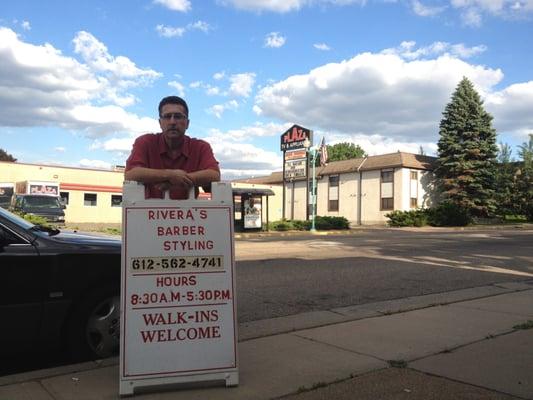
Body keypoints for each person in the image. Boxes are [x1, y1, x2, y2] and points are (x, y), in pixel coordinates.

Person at [125, 96, 220, 199]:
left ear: (187, 123)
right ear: (160, 123)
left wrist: (177, 181)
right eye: (167, 116)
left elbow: (214, 175)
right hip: (151, 213)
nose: (172, 122)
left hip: (190, 213)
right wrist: (170, 175)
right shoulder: (145, 142)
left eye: (178, 116)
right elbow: (131, 174)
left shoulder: (200, 147)